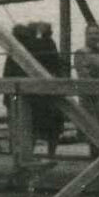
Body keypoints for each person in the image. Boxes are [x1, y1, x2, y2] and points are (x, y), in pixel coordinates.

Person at [24, 22, 68, 155]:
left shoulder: (32, 45)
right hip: (51, 88)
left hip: (37, 91)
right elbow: (56, 63)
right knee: (53, 128)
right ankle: (51, 153)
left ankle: (29, 153)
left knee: (34, 125)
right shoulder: (50, 43)